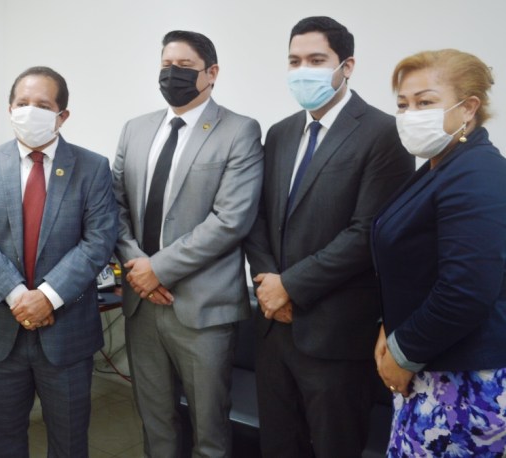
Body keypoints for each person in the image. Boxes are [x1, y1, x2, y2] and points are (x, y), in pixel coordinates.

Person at [243, 17, 413, 457]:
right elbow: (257, 218)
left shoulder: (383, 133)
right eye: (294, 61)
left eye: (317, 60)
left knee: (335, 446)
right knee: (279, 444)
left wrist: (290, 286)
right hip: (273, 328)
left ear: (347, 66)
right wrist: (269, 285)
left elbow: (367, 233)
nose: (304, 70)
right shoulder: (280, 133)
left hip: (334, 332)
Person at [113, 30, 263, 457]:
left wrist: (158, 269)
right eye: (166, 65)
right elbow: (114, 206)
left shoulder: (239, 130)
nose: (172, 74)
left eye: (184, 67)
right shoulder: (135, 129)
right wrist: (137, 267)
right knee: (155, 421)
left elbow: (231, 219)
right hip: (141, 303)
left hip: (203, 307)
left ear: (211, 73)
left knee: (209, 430)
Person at [0, 66, 117, 457]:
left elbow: (98, 241)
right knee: (3, 440)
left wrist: (47, 296)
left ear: (63, 116)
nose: (30, 111)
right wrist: (18, 297)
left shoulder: (92, 167)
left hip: (66, 333)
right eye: (22, 103)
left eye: (43, 105)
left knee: (69, 442)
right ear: (9, 109)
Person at [373, 49, 506, 457]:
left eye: (425, 102)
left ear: (469, 108)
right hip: (430, 367)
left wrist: (401, 353)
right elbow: (414, 267)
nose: (410, 115)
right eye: (403, 105)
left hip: (462, 380)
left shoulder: (478, 172)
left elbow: (465, 290)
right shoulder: (438, 167)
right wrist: (388, 327)